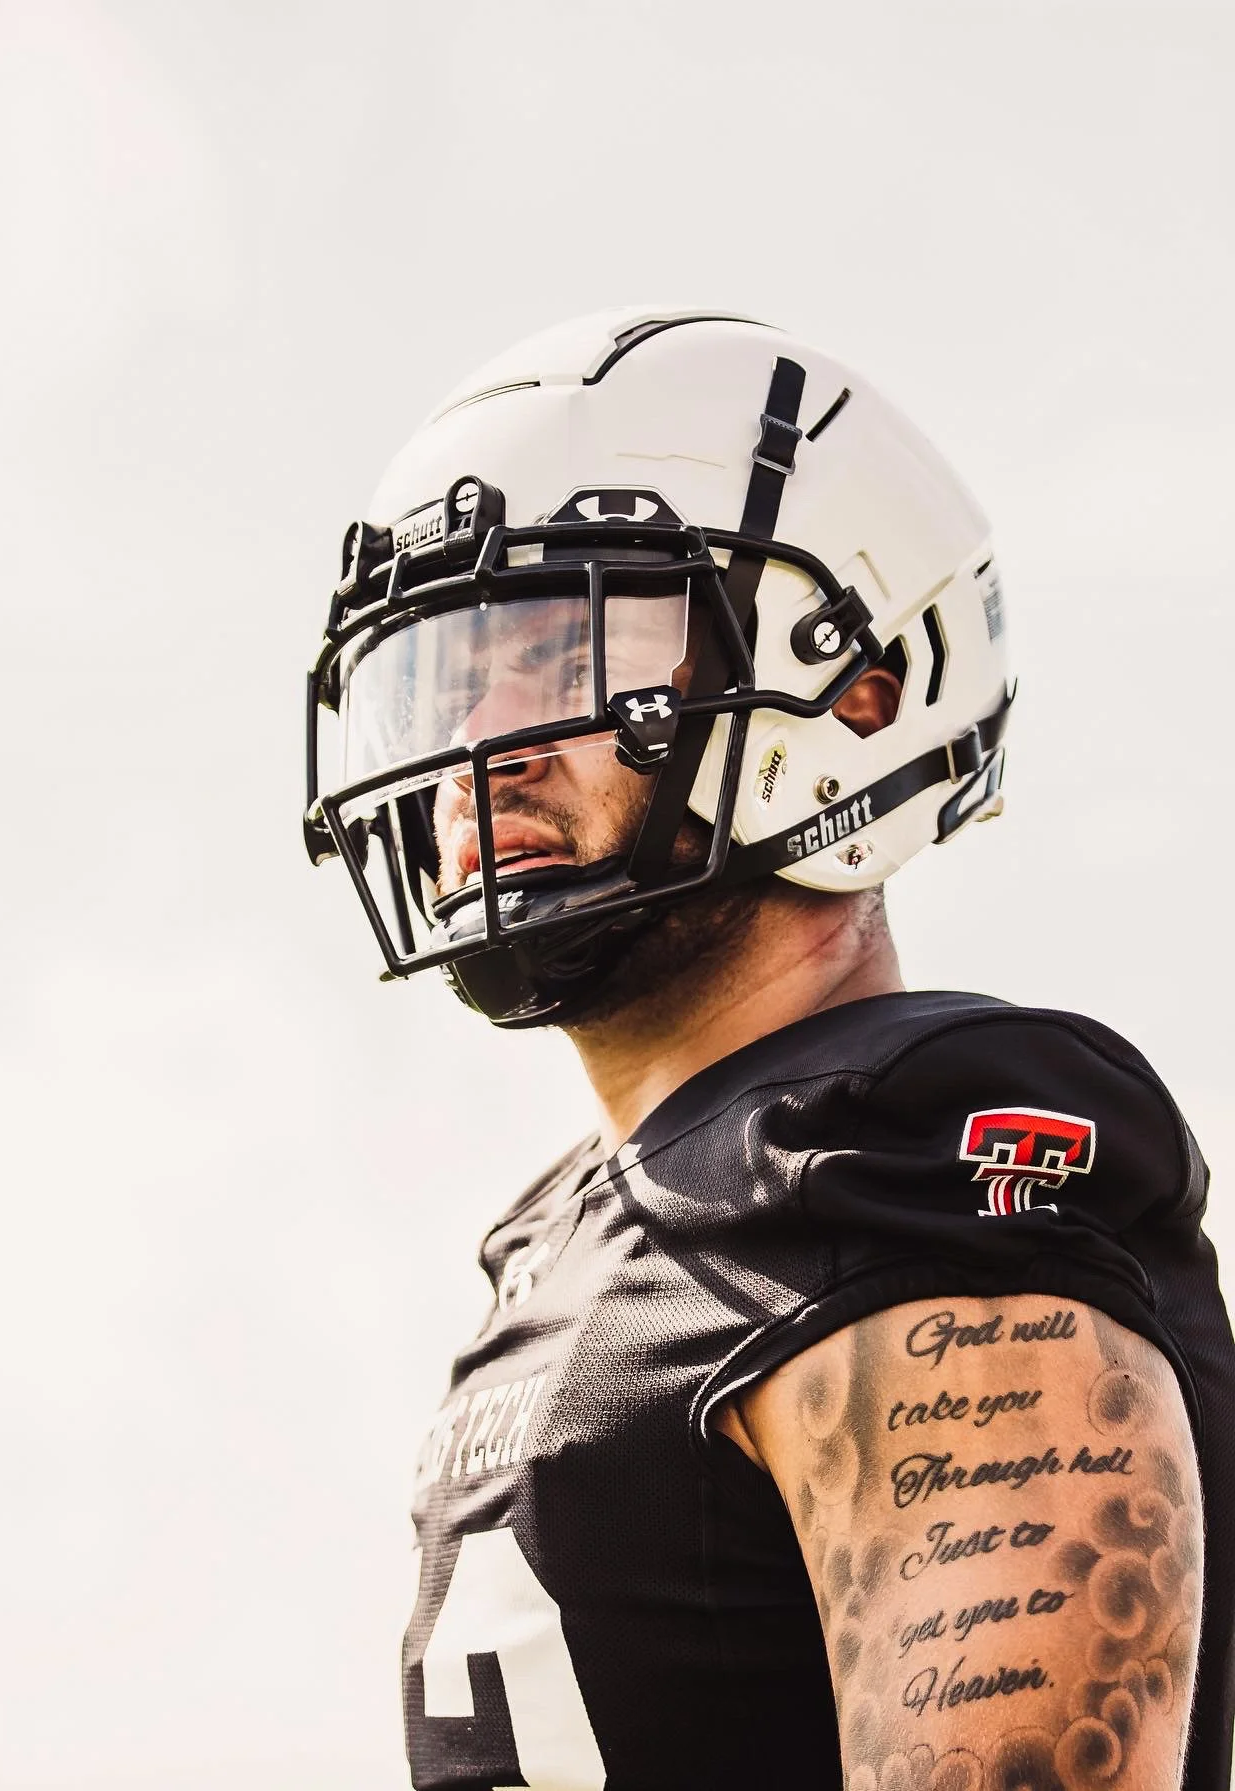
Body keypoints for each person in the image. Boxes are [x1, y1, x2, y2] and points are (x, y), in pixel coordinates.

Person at [303, 309, 1235, 1791]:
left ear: (863, 691)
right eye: (450, 673)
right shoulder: (567, 1233)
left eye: (563, 649)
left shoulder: (908, 1152)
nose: (485, 742)